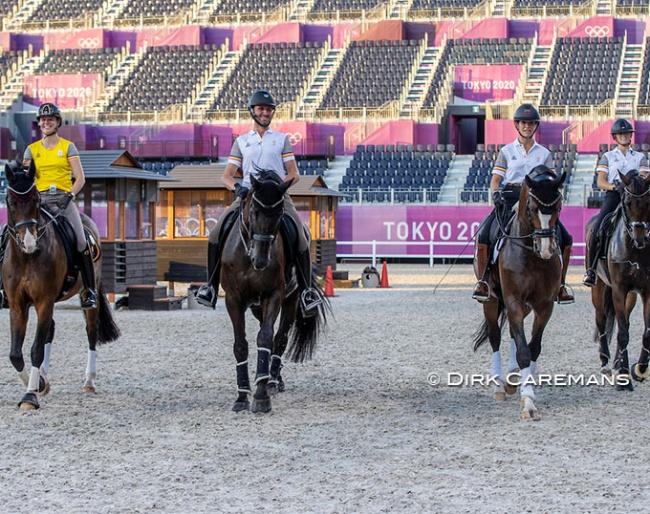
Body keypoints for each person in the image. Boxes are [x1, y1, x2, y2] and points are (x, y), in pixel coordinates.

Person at [195, 90, 321, 315]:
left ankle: (306, 291)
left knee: (301, 236)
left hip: (277, 197)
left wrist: (279, 188)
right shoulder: (242, 142)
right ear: (252, 111)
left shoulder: (281, 139)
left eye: (268, 109)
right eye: (261, 109)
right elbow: (226, 176)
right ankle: (210, 287)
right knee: (215, 233)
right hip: (248, 196)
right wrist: (238, 188)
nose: (265, 113)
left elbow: (294, 173)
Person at [472, 103, 574, 304]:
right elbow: (495, 180)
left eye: (530, 123)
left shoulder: (543, 153)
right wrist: (496, 195)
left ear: (535, 126)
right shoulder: (507, 151)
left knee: (565, 237)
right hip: (510, 196)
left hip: (535, 199)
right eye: (523, 123)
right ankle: (483, 281)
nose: (527, 126)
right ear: (517, 125)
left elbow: (551, 180)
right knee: (485, 233)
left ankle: (561, 285)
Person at [0, 103, 97, 310]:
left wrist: (69, 195)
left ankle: (89, 290)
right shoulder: (31, 149)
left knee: (81, 240)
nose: (46, 122)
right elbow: (26, 179)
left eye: (50, 119)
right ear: (39, 123)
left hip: (63, 200)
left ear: (57, 122)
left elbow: (80, 178)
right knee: (3, 235)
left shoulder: (68, 147)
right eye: (43, 120)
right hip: (39, 201)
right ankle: (3, 289)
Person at [582, 118, 650, 287]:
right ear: (615, 137)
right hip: (614, 196)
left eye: (627, 133)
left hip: (635, 198)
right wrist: (615, 187)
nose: (624, 136)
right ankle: (591, 270)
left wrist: (632, 188)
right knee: (597, 229)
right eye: (621, 134)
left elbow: (643, 178)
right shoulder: (608, 156)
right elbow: (600, 181)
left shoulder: (640, 157)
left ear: (631, 136)